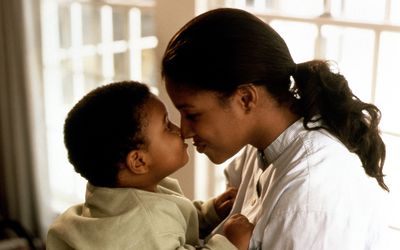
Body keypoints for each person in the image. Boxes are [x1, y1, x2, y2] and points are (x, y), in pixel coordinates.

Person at [162, 8, 390, 250]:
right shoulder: (259, 147)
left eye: (192, 114)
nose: (184, 130)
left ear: (246, 99)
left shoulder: (311, 196)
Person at [46, 81, 254, 250]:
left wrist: (208, 213)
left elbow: (171, 220)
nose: (180, 130)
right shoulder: (142, 221)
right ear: (138, 161)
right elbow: (157, 228)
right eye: (166, 125)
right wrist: (230, 244)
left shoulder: (116, 196)